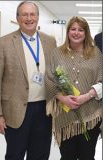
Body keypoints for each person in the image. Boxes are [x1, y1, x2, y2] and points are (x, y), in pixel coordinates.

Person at [0, 1, 56, 159]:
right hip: (15, 111)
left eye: (32, 14)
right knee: (15, 154)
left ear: (37, 17)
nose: (29, 18)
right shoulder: (3, 43)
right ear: (17, 18)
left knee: (40, 154)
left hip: (44, 110)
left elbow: (55, 74)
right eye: (24, 14)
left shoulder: (50, 42)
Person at [46, 16, 102, 160]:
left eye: (80, 30)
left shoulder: (96, 53)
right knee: (67, 156)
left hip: (90, 114)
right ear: (68, 31)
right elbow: (49, 80)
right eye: (73, 29)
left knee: (87, 156)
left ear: (86, 33)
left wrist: (87, 96)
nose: (76, 33)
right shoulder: (56, 53)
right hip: (64, 116)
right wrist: (62, 98)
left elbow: (103, 80)